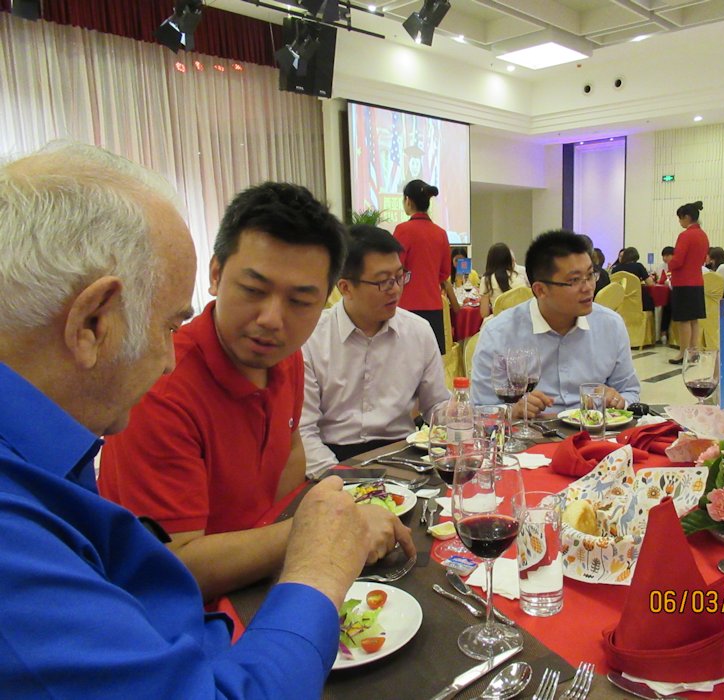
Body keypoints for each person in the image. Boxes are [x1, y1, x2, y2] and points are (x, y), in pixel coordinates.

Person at [0, 143, 371, 696]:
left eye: (301, 300)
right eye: (169, 323)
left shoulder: (52, 450)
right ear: (93, 321)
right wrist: (318, 557)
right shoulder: (18, 541)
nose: (170, 356)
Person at [99, 182, 415, 602]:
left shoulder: (286, 357)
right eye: (253, 290)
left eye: (301, 301)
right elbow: (170, 569)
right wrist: (327, 531)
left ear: (327, 298)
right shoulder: (160, 383)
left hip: (261, 582)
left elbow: (288, 458)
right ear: (215, 274)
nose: (272, 319)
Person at [300, 225, 451, 476]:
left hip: (403, 455)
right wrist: (341, 479)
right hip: (333, 458)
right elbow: (303, 432)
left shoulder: (418, 331)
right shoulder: (312, 337)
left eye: (399, 277)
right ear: (345, 287)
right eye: (382, 282)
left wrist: (460, 414)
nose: (395, 289)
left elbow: (435, 404)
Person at [471, 230, 641, 414]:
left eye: (591, 275)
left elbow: (630, 391)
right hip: (531, 437)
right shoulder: (499, 333)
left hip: (595, 435)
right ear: (541, 290)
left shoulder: (610, 325)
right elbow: (480, 407)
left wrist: (617, 400)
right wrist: (513, 411)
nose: (588, 288)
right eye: (574, 280)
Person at [394, 178, 451, 353]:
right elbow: (445, 273)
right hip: (434, 306)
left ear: (408, 201)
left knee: (404, 363)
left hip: (407, 307)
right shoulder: (441, 234)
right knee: (430, 364)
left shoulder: (403, 230)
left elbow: (394, 268)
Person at [668, 201, 710, 363]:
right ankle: (693, 351)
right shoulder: (703, 235)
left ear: (686, 217)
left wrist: (670, 263)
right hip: (697, 280)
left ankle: (683, 353)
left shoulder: (685, 235)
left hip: (683, 281)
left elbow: (678, 261)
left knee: (683, 319)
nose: (680, 222)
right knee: (694, 319)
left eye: (680, 218)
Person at [478, 242, 529, 317]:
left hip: (500, 323)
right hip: (522, 321)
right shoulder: (519, 276)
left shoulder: (487, 280)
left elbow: (484, 313)